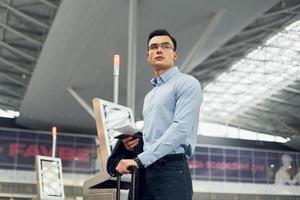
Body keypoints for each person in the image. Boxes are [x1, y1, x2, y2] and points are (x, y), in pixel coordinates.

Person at [116, 29, 203, 200]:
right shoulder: (150, 96)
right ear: (148, 56)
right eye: (153, 47)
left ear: (175, 54)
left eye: (165, 46)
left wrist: (139, 160)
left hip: (171, 170)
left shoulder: (187, 84)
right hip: (146, 170)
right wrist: (134, 143)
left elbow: (180, 129)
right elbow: (154, 135)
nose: (159, 50)